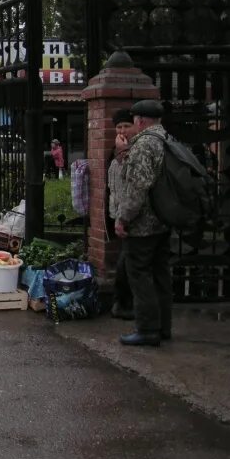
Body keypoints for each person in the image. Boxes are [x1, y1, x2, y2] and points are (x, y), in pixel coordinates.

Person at [114, 99, 171, 347]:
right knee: (160, 275)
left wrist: (123, 218)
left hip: (143, 224)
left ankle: (147, 329)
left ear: (140, 121)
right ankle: (163, 327)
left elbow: (137, 187)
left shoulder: (144, 145)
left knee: (140, 275)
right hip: (163, 220)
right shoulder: (166, 139)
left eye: (134, 120)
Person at [107, 109, 135, 320]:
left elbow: (133, 182)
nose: (123, 130)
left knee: (127, 261)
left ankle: (122, 302)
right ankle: (122, 302)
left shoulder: (135, 151)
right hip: (118, 214)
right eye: (119, 127)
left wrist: (124, 153)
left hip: (132, 215)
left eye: (126, 126)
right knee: (125, 260)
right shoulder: (114, 151)